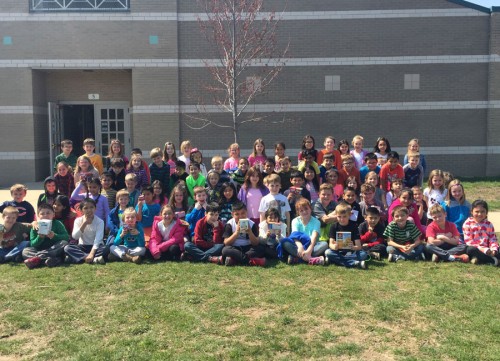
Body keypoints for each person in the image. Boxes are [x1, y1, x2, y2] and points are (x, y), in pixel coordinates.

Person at [278, 198, 327, 265]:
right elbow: (295, 236)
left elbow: (314, 238)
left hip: (312, 245)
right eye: (301, 210)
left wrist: (309, 250)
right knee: (285, 242)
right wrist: (300, 247)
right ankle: (313, 259)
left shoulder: (316, 222)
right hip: (298, 245)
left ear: (310, 209)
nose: (304, 212)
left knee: (324, 244)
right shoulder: (295, 221)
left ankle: (297, 259)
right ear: (298, 212)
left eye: (306, 209)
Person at [22, 203, 69, 268]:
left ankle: (38, 259)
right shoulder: (35, 226)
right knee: (26, 251)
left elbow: (66, 237)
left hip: (54, 248)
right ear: (38, 216)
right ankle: (53, 260)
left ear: (53, 214)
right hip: (40, 249)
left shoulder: (57, 223)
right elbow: (32, 244)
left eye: (48, 213)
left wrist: (54, 236)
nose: (45, 215)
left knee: (64, 243)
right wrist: (40, 237)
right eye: (42, 214)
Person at [221, 202, 266, 266]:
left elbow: (255, 243)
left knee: (261, 248)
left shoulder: (251, 224)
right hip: (235, 247)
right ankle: (251, 261)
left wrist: (250, 232)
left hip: (248, 247)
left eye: (243, 213)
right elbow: (226, 243)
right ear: (232, 215)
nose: (240, 216)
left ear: (246, 212)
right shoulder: (230, 224)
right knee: (225, 250)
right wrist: (236, 232)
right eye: (237, 214)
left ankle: (234, 260)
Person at [324, 203, 368, 269]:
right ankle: (354, 263)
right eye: (339, 217)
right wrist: (334, 246)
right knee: (327, 252)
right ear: (336, 216)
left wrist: (353, 247)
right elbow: (331, 244)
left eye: (344, 216)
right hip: (338, 251)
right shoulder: (333, 226)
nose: (342, 219)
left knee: (363, 254)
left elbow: (358, 246)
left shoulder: (354, 226)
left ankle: (335, 260)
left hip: (351, 252)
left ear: (349, 215)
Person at [64, 198, 106, 264]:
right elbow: (75, 237)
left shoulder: (100, 221)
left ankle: (79, 258)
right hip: (83, 246)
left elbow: (98, 240)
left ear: (95, 208)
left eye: (91, 207)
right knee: (67, 248)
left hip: (96, 247)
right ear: (81, 210)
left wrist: (92, 254)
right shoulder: (78, 220)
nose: (89, 210)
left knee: (106, 248)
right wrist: (84, 223)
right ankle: (89, 258)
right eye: (86, 208)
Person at [462, 200, 498, 266]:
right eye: (477, 211)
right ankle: (492, 261)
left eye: (482, 212)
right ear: (471, 212)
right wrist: (484, 249)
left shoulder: (489, 224)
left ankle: (480, 259)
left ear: (486, 212)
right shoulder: (467, 223)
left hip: (488, 249)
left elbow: (493, 238)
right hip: (477, 249)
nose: (479, 214)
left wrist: (493, 249)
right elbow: (469, 241)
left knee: (498, 249)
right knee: (470, 249)